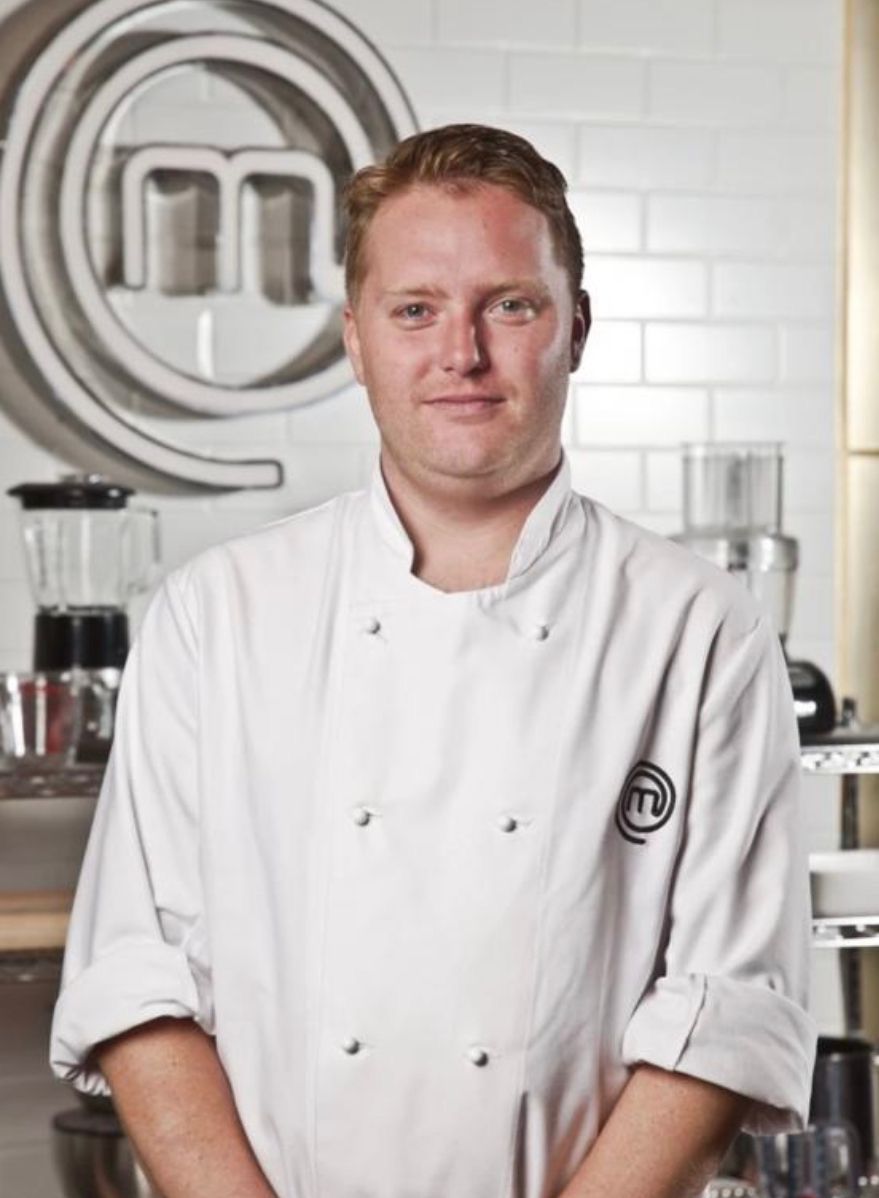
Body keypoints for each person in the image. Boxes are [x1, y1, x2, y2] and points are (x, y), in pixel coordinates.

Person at [50, 124, 816, 1198]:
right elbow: (138, 986)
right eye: (415, 310)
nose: (461, 352)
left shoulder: (700, 629)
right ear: (356, 338)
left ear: (576, 328)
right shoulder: (215, 616)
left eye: (510, 303)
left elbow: (724, 1012)